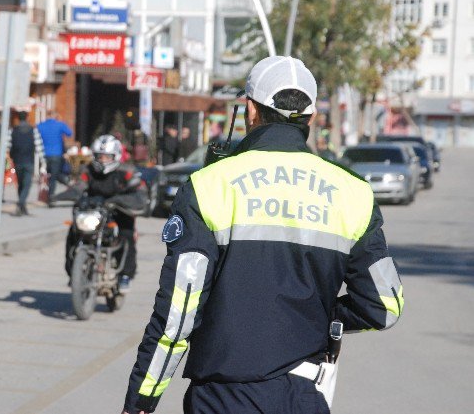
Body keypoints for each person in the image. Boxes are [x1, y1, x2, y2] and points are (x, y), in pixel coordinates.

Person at [122, 56, 404, 414]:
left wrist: (141, 400)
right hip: (305, 396)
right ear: (311, 117)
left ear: (250, 111)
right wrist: (326, 317)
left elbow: (178, 313)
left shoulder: (208, 186)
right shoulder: (354, 193)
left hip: (222, 397)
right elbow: (385, 306)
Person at [65, 134, 146, 291]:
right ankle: (72, 274)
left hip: (120, 212)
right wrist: (59, 197)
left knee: (126, 234)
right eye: (99, 156)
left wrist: (120, 201)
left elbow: (140, 192)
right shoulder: (88, 170)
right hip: (95, 211)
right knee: (73, 232)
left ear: (115, 156)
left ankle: (125, 276)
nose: (102, 160)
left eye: (106, 157)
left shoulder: (127, 171)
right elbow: (79, 186)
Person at [9, 112, 46, 216]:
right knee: (27, 184)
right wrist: (43, 160)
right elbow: (39, 146)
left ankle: (22, 207)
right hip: (29, 160)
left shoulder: (13, 130)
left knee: (21, 183)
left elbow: (8, 145)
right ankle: (20, 203)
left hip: (17, 160)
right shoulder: (33, 130)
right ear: (27, 118)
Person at [37, 110, 72, 205]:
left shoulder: (40, 125)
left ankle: (44, 194)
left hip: (44, 154)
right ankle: (51, 195)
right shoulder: (60, 124)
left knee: (45, 175)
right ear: (54, 115)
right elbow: (69, 133)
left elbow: (35, 136)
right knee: (54, 176)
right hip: (57, 154)